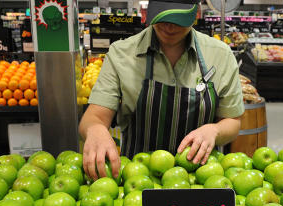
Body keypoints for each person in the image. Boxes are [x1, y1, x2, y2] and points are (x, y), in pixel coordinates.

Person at [79, 0, 244, 180]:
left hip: (201, 180)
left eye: (178, 19)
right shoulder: (122, 54)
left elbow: (232, 121)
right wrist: (95, 130)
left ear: (196, 13)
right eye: (162, 16)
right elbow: (94, 117)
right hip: (138, 178)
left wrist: (214, 131)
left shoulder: (220, 55)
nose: (169, 26)